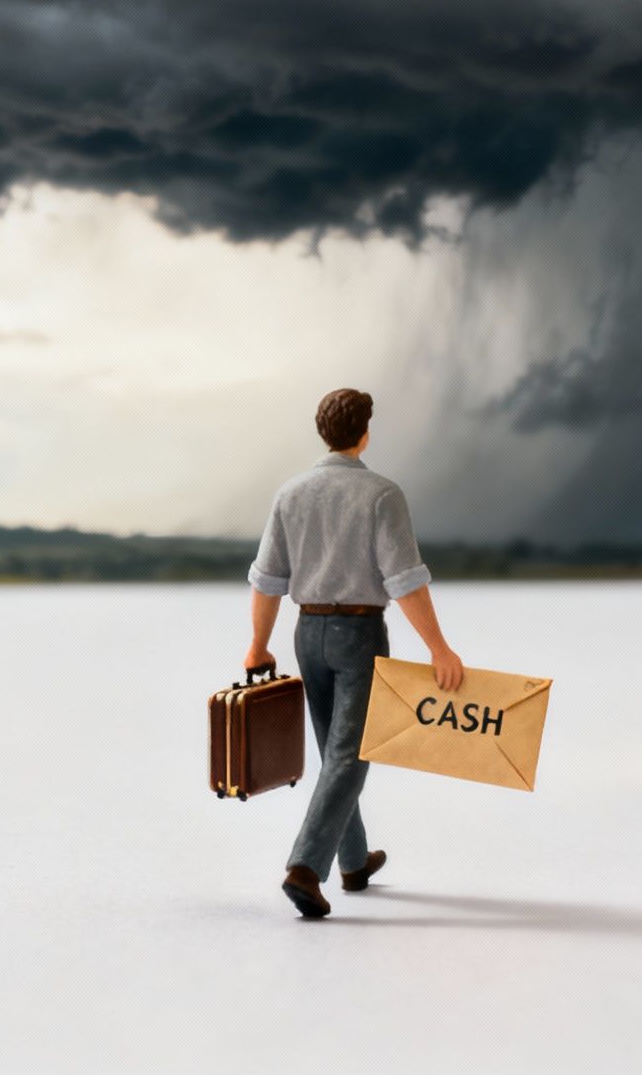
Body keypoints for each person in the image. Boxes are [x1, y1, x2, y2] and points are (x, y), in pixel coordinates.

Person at [244, 388, 465, 920]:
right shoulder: (382, 494)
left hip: (306, 633)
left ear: (324, 432)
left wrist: (257, 644)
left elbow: (267, 580)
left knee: (335, 753)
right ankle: (304, 868)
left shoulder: (290, 494)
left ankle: (354, 860)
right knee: (349, 754)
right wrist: (439, 647)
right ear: (365, 433)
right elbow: (405, 580)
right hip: (359, 635)